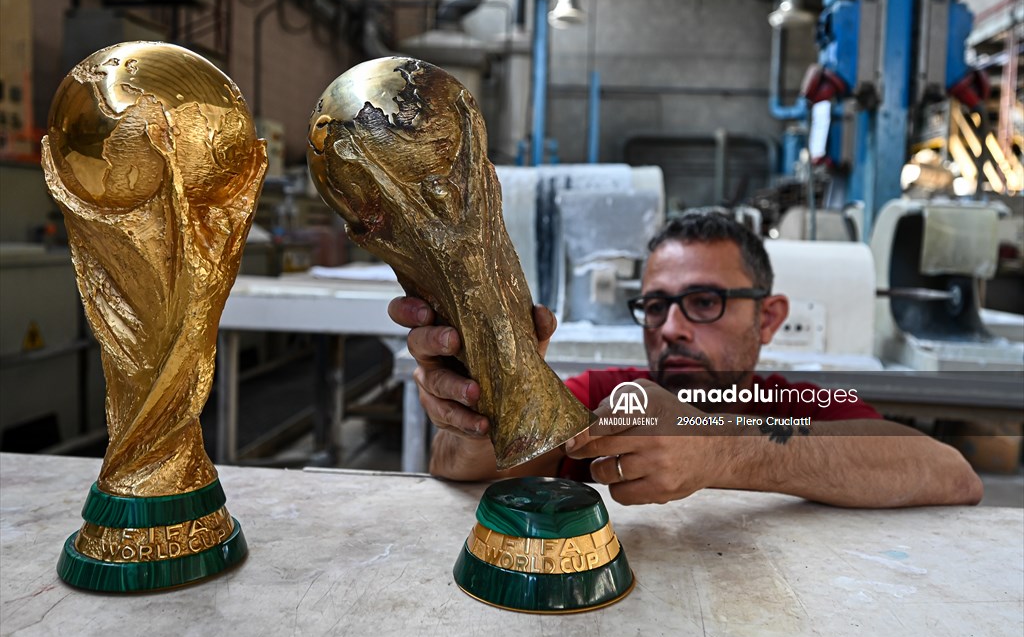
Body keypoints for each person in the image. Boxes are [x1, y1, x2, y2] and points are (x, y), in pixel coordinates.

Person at [388, 210, 983, 508]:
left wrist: (720, 445)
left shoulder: (792, 405)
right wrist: (478, 404)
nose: (670, 329)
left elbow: (951, 473)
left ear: (769, 317)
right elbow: (462, 468)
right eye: (654, 305)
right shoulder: (603, 399)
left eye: (704, 302)